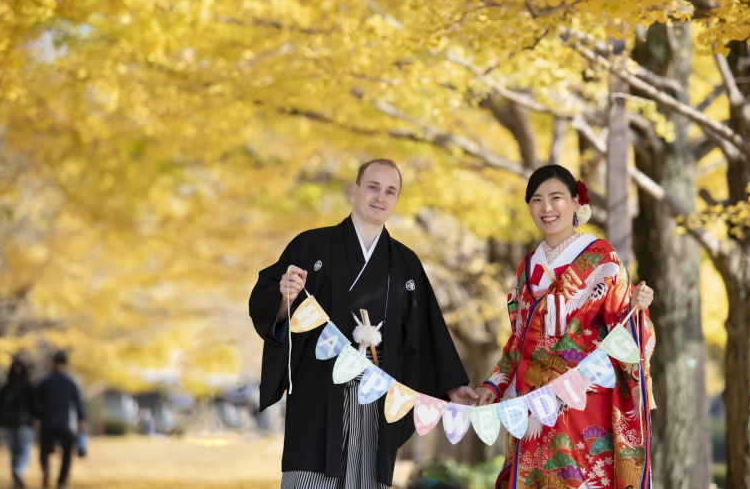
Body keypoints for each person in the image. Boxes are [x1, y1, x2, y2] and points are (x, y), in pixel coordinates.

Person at [250, 158, 478, 489]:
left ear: (397, 200)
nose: (380, 197)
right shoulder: (311, 245)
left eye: (390, 191)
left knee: (368, 477)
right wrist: (285, 297)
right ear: (355, 190)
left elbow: (428, 332)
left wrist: (452, 385)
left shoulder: (405, 263)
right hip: (319, 392)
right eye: (373, 187)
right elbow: (268, 300)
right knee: (311, 476)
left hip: (382, 394)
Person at [473, 165, 656, 489]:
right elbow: (517, 342)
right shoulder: (527, 266)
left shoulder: (602, 257)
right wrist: (494, 384)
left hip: (582, 399)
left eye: (556, 198)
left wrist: (638, 309)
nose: (546, 208)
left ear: (575, 202)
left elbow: (625, 330)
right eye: (537, 200)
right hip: (530, 403)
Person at [37, 350, 86, 489]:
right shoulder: (72, 382)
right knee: (67, 454)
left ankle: (45, 465)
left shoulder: (45, 381)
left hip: (48, 422)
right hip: (67, 423)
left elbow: (37, 403)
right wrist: (81, 422)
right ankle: (61, 482)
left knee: (44, 450)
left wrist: (38, 418)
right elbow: (78, 404)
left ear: (53, 362)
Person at [0, 358, 39, 488]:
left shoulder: (6, 387)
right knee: (25, 450)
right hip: (24, 424)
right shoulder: (28, 386)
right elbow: (35, 406)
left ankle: (15, 480)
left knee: (14, 452)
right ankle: (19, 471)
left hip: (8, 424)